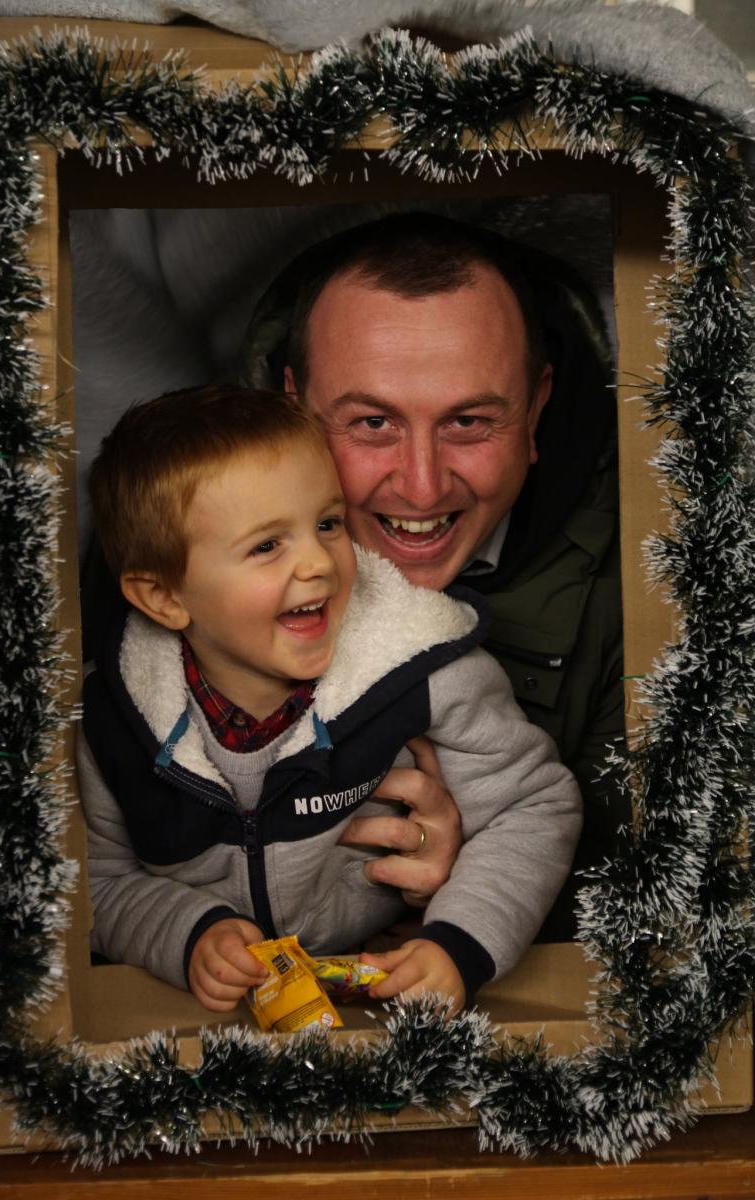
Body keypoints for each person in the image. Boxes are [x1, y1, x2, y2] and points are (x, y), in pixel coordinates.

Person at [77, 385, 581, 1015]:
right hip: (213, 1023)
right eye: (267, 545)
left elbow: (532, 806)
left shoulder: (424, 676)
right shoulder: (112, 720)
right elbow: (98, 882)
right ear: (164, 597)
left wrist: (459, 943)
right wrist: (190, 932)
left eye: (327, 523)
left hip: (383, 974)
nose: (318, 562)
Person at [242, 212, 627, 940]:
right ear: (294, 406)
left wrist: (470, 888)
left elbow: (663, 904)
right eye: (372, 424)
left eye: (469, 422)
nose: (421, 488)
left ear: (536, 409)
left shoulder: (643, 587)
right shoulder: (174, 532)